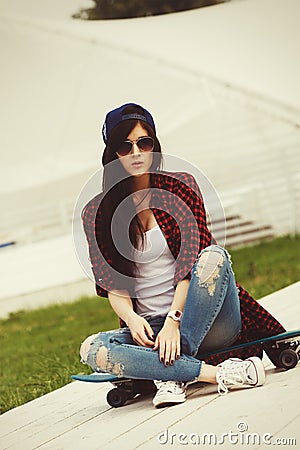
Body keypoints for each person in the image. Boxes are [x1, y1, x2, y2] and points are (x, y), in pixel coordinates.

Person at [79, 103, 285, 408]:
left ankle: (168, 373)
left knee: (213, 255)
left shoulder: (181, 186)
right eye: (125, 146)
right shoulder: (97, 212)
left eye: (144, 142)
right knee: (92, 349)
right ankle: (219, 374)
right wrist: (132, 319)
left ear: (154, 146)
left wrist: (175, 322)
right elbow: (113, 284)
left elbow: (192, 266)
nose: (136, 153)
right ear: (112, 154)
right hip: (149, 329)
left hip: (203, 319)